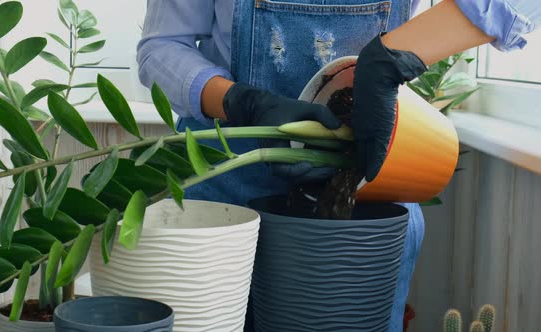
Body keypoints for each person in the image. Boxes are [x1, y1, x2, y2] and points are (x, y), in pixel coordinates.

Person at [138, 1, 540, 330]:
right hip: (220, 193)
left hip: (364, 194)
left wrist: (388, 61)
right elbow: (160, 49)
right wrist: (239, 102)